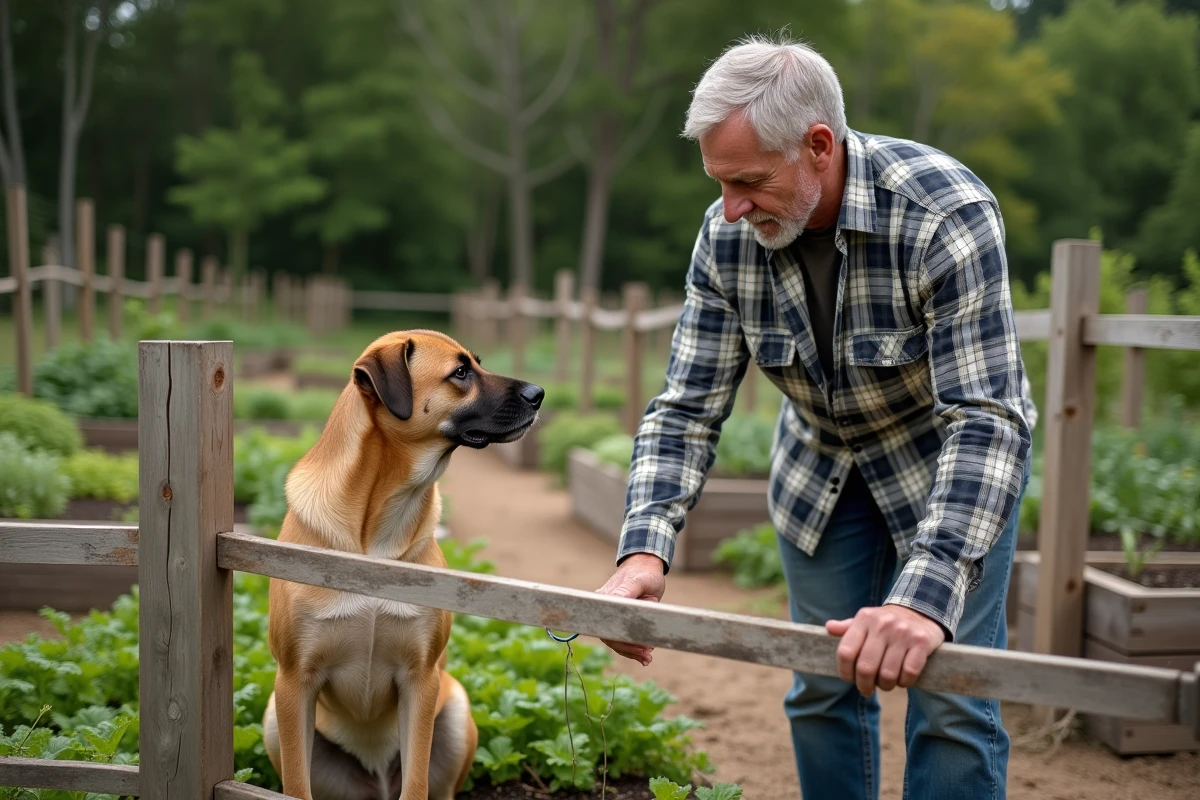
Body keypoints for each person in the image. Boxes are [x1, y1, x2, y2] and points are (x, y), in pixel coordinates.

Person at [594, 33, 1037, 800]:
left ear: (819, 146)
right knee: (821, 689)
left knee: (953, 702)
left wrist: (923, 598)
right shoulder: (726, 237)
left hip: (951, 474)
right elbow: (685, 410)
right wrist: (643, 553)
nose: (729, 209)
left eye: (749, 183)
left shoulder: (942, 213)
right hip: (820, 475)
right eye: (718, 183)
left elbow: (987, 418)